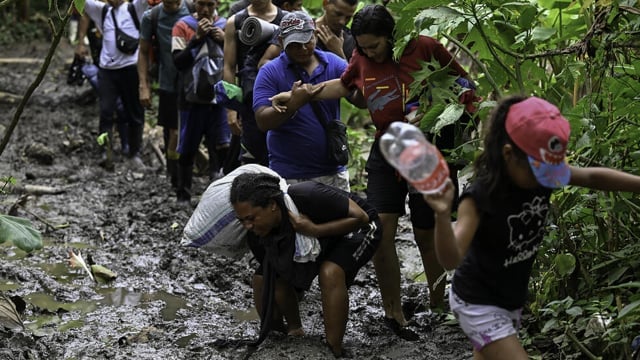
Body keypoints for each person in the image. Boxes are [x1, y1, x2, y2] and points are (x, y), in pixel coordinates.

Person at [269, 4, 475, 338]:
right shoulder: (362, 58)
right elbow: (346, 84)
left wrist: (447, 117)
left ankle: (439, 306)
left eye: (374, 46)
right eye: (362, 48)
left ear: (391, 37)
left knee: (426, 233)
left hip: (426, 149)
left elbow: (464, 84)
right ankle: (394, 313)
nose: (367, 53)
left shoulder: (422, 47)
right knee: (381, 231)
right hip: (386, 149)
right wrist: (300, 96)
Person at [422, 95, 640, 359]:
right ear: (508, 154)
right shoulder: (480, 197)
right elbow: (451, 257)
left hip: (509, 299)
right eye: (541, 172)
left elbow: (592, 176)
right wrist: (443, 216)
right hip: (477, 304)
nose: (547, 179)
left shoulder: (543, 172)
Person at [229, 172, 381, 357]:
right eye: (242, 220)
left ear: (272, 206)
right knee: (263, 279)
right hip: (319, 239)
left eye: (251, 218)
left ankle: (334, 349)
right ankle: (288, 334)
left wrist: (314, 230)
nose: (247, 226)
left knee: (329, 272)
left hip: (359, 227)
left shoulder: (306, 194)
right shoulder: (257, 234)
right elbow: (278, 278)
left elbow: (361, 217)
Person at [253, 11, 350, 191]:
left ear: (315, 34)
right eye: (295, 45)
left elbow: (359, 96)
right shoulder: (269, 72)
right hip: (289, 174)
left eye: (308, 41)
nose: (304, 49)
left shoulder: (334, 63)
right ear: (281, 43)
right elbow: (262, 121)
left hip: (333, 172)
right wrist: (293, 105)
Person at [75, 0, 149, 169]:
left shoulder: (134, 8)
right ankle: (105, 152)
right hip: (107, 70)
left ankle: (134, 153)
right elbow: (82, 3)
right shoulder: (102, 11)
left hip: (131, 68)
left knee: (134, 112)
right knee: (106, 111)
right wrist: (80, 42)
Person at [171, 0, 230, 203]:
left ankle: (219, 196)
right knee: (187, 146)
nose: (205, 9)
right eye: (201, 4)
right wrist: (196, 39)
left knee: (222, 145)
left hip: (219, 99)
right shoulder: (182, 26)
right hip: (191, 100)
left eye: (210, 4)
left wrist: (224, 40)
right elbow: (178, 61)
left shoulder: (225, 25)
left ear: (217, 4)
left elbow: (237, 59)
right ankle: (183, 195)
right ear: (194, 3)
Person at [222, 0, 287, 167]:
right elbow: (229, 66)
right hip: (249, 101)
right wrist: (231, 109)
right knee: (252, 159)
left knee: (281, 156)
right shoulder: (235, 21)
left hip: (282, 100)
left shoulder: (286, 20)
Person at [138, 0, 192, 187]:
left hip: (194, 83)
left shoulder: (193, 8)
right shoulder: (151, 17)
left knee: (193, 128)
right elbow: (143, 51)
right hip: (168, 82)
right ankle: (174, 176)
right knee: (172, 131)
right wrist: (143, 85)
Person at [259, 0, 358, 66]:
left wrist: (339, 53)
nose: (342, 21)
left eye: (348, 17)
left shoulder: (352, 41)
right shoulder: (297, 24)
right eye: (338, 14)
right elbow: (264, 63)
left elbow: (355, 86)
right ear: (325, 4)